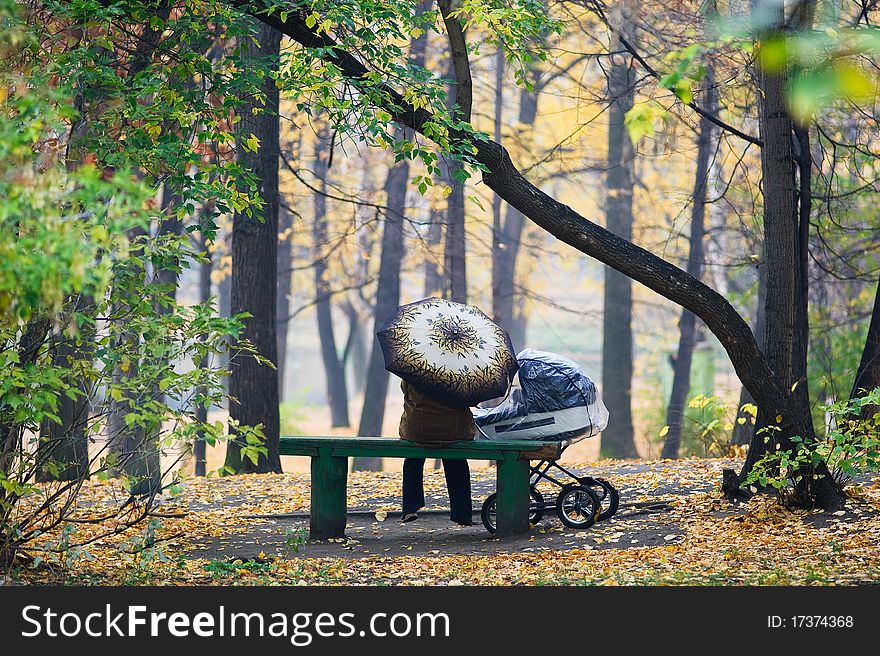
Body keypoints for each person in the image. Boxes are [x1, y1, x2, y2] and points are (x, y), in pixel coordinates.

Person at [397, 380, 474, 525]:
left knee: (413, 458)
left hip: (417, 429)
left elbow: (405, 389)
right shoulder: (458, 371)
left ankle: (410, 508)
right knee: (456, 462)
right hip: (453, 430)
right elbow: (469, 397)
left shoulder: (414, 367)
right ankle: (462, 514)